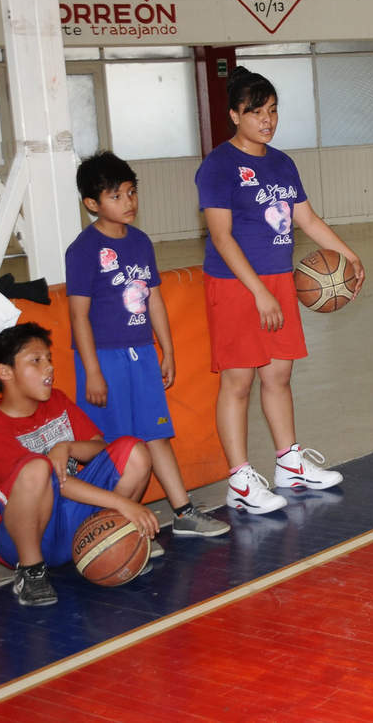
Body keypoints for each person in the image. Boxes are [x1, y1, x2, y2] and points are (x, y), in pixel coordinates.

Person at [195, 66, 365, 514]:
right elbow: (222, 237)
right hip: (236, 284)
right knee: (238, 381)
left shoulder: (282, 163)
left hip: (277, 281)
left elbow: (305, 219)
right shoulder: (218, 166)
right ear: (234, 114)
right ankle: (239, 481)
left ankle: (289, 463)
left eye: (272, 111)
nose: (267, 120)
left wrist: (347, 254)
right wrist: (258, 292)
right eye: (256, 112)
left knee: (278, 375)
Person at [66, 152, 229, 539]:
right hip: (104, 359)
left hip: (141, 355)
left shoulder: (140, 242)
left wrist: (167, 350)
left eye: (132, 192)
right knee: (116, 446)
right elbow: (78, 316)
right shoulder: (83, 250)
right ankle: (114, 527)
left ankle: (183, 511)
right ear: (92, 204)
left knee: (156, 433)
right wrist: (92, 371)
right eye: (117, 196)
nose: (129, 202)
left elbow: (153, 298)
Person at [0, 323, 161, 607]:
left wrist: (67, 446)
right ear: (4, 372)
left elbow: (100, 448)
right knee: (37, 468)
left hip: (70, 522)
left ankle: (111, 539)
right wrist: (123, 504)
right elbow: (55, 482)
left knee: (134, 451)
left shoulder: (56, 400)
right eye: (36, 361)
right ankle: (31, 572)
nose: (48, 368)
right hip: (19, 537)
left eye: (48, 359)